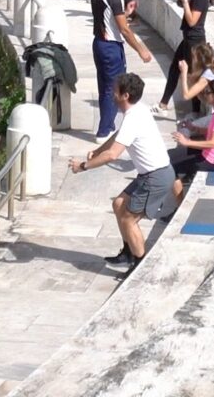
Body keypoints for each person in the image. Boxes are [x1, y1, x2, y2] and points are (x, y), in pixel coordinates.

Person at [69, 70, 168, 273]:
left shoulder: (133, 117)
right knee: (119, 204)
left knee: (128, 218)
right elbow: (118, 136)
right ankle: (128, 252)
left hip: (155, 177)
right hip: (151, 174)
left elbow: (113, 155)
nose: (112, 94)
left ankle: (139, 267)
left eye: (115, 91)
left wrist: (83, 166)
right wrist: (97, 150)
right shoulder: (137, 111)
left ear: (125, 96)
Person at [85, 0, 154, 139]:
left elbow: (108, 20)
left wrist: (126, 14)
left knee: (105, 88)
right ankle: (104, 132)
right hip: (111, 48)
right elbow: (124, 29)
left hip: (99, 44)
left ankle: (108, 125)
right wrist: (141, 50)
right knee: (114, 89)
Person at [168, 73, 214, 206]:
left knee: (169, 165)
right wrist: (195, 129)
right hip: (213, 155)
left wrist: (187, 142)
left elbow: (213, 143)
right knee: (168, 157)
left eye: (208, 92)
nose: (205, 94)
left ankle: (178, 206)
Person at [161, 0, 214, 106]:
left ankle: (195, 111)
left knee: (193, 75)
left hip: (194, 42)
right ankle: (164, 102)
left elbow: (192, 21)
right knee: (174, 69)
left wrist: (185, 1)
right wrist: (184, 1)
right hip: (188, 40)